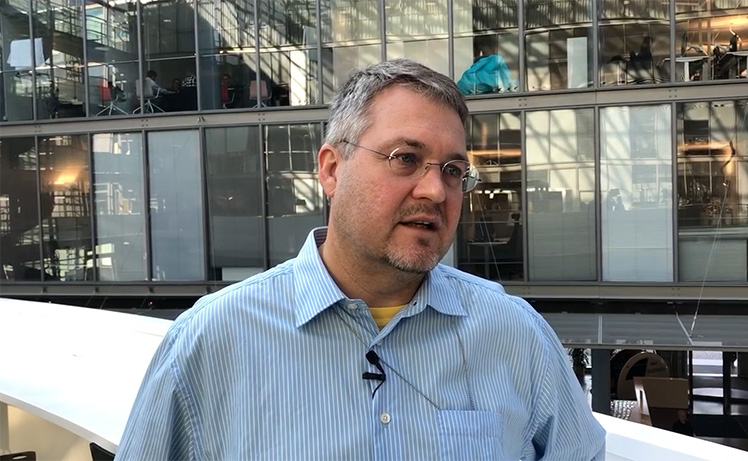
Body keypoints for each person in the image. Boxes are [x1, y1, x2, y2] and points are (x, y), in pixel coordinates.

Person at [115, 59, 606, 460]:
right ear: (332, 169)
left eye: (453, 170)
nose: (436, 190)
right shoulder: (210, 342)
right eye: (405, 158)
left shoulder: (515, 336)